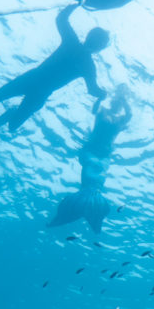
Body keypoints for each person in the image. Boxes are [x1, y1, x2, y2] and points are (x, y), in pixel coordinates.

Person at [0, 4, 108, 132]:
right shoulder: (88, 65)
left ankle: (6, 109)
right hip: (39, 89)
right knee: (11, 123)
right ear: (100, 48)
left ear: (89, 36)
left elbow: (61, 18)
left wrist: (78, 3)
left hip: (34, 81)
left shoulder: (74, 44)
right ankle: (7, 111)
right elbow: (93, 90)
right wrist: (102, 94)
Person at [48, 83, 131, 232]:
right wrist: (100, 98)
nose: (118, 104)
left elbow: (130, 115)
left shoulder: (121, 120)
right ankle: (84, 205)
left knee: (98, 178)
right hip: (91, 150)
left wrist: (124, 99)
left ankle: (88, 206)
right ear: (112, 101)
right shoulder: (103, 111)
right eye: (116, 101)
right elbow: (94, 109)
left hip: (105, 154)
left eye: (120, 103)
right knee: (91, 171)